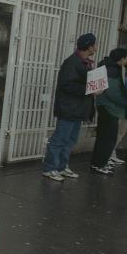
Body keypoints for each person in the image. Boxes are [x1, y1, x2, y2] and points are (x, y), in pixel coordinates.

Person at [42, 33, 97, 181]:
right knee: (60, 139)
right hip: (69, 108)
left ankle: (61, 166)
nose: (95, 48)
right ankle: (50, 168)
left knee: (70, 140)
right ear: (89, 46)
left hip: (77, 108)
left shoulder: (83, 62)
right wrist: (89, 89)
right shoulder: (72, 63)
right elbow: (66, 85)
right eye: (94, 45)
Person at [89, 48, 127, 175]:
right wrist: (126, 102)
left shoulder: (106, 66)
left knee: (102, 137)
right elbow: (113, 92)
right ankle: (100, 164)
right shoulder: (112, 70)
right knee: (109, 138)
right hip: (110, 108)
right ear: (121, 59)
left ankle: (97, 163)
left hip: (104, 106)